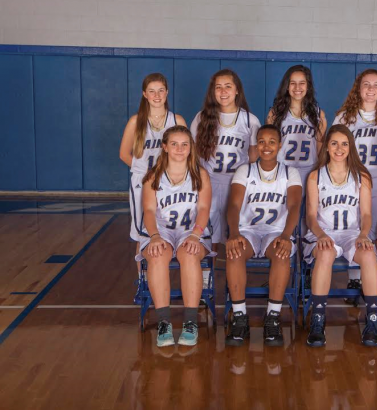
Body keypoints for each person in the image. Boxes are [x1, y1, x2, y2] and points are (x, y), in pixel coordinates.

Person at [303, 124, 377, 347]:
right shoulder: (315, 176)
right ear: (327, 146)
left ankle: (373, 320)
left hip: (351, 233)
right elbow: (310, 216)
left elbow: (366, 214)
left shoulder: (361, 176)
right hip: (322, 232)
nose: (339, 148)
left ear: (351, 147)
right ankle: (318, 320)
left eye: (344, 144)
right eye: (334, 143)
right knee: (326, 254)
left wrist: (364, 235)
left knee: (367, 255)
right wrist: (320, 235)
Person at [224, 124, 302, 347]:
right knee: (234, 252)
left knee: (281, 253)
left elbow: (295, 205)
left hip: (276, 232)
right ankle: (240, 317)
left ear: (279, 145)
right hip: (248, 230)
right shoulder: (245, 170)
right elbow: (234, 205)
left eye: (271, 141)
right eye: (261, 141)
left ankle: (273, 317)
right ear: (256, 145)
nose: (266, 146)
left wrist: (287, 235)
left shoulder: (290, 172)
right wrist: (234, 233)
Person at [138, 125, 213, 347]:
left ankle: (190, 322)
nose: (180, 149)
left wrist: (195, 235)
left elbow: (203, 210)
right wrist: (153, 236)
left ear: (191, 148)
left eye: (184, 144)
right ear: (165, 147)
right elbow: (149, 211)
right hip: (160, 231)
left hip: (192, 230)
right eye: (174, 144)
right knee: (158, 255)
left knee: (189, 255)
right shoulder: (153, 176)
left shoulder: (200, 174)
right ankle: (164, 323)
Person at [334, 69, 377, 295]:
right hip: (351, 182)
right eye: (366, 84)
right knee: (354, 226)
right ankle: (355, 277)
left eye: (376, 85)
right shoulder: (345, 117)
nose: (371, 89)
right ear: (358, 88)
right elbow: (334, 148)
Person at [119, 73, 187, 264]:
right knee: (142, 232)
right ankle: (143, 281)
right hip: (142, 180)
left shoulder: (177, 120)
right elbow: (124, 154)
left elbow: (188, 152)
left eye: (161, 91)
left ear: (167, 92)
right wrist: (145, 170)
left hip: (172, 181)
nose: (157, 96)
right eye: (152, 91)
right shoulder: (136, 121)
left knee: (170, 226)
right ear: (144, 94)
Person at [190, 69, 260, 250]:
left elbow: (253, 156)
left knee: (237, 232)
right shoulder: (201, 118)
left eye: (228, 86)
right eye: (218, 87)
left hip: (238, 183)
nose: (223, 91)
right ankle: (207, 276)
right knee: (207, 232)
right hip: (210, 181)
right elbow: (193, 154)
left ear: (237, 90)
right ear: (213, 92)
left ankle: (233, 276)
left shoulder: (249, 120)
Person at [267, 64, 327, 191]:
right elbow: (269, 147)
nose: (297, 87)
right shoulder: (275, 114)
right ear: (287, 86)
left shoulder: (318, 115)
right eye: (292, 83)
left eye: (302, 83)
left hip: (309, 172)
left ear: (308, 86)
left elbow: (320, 148)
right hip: (283, 171)